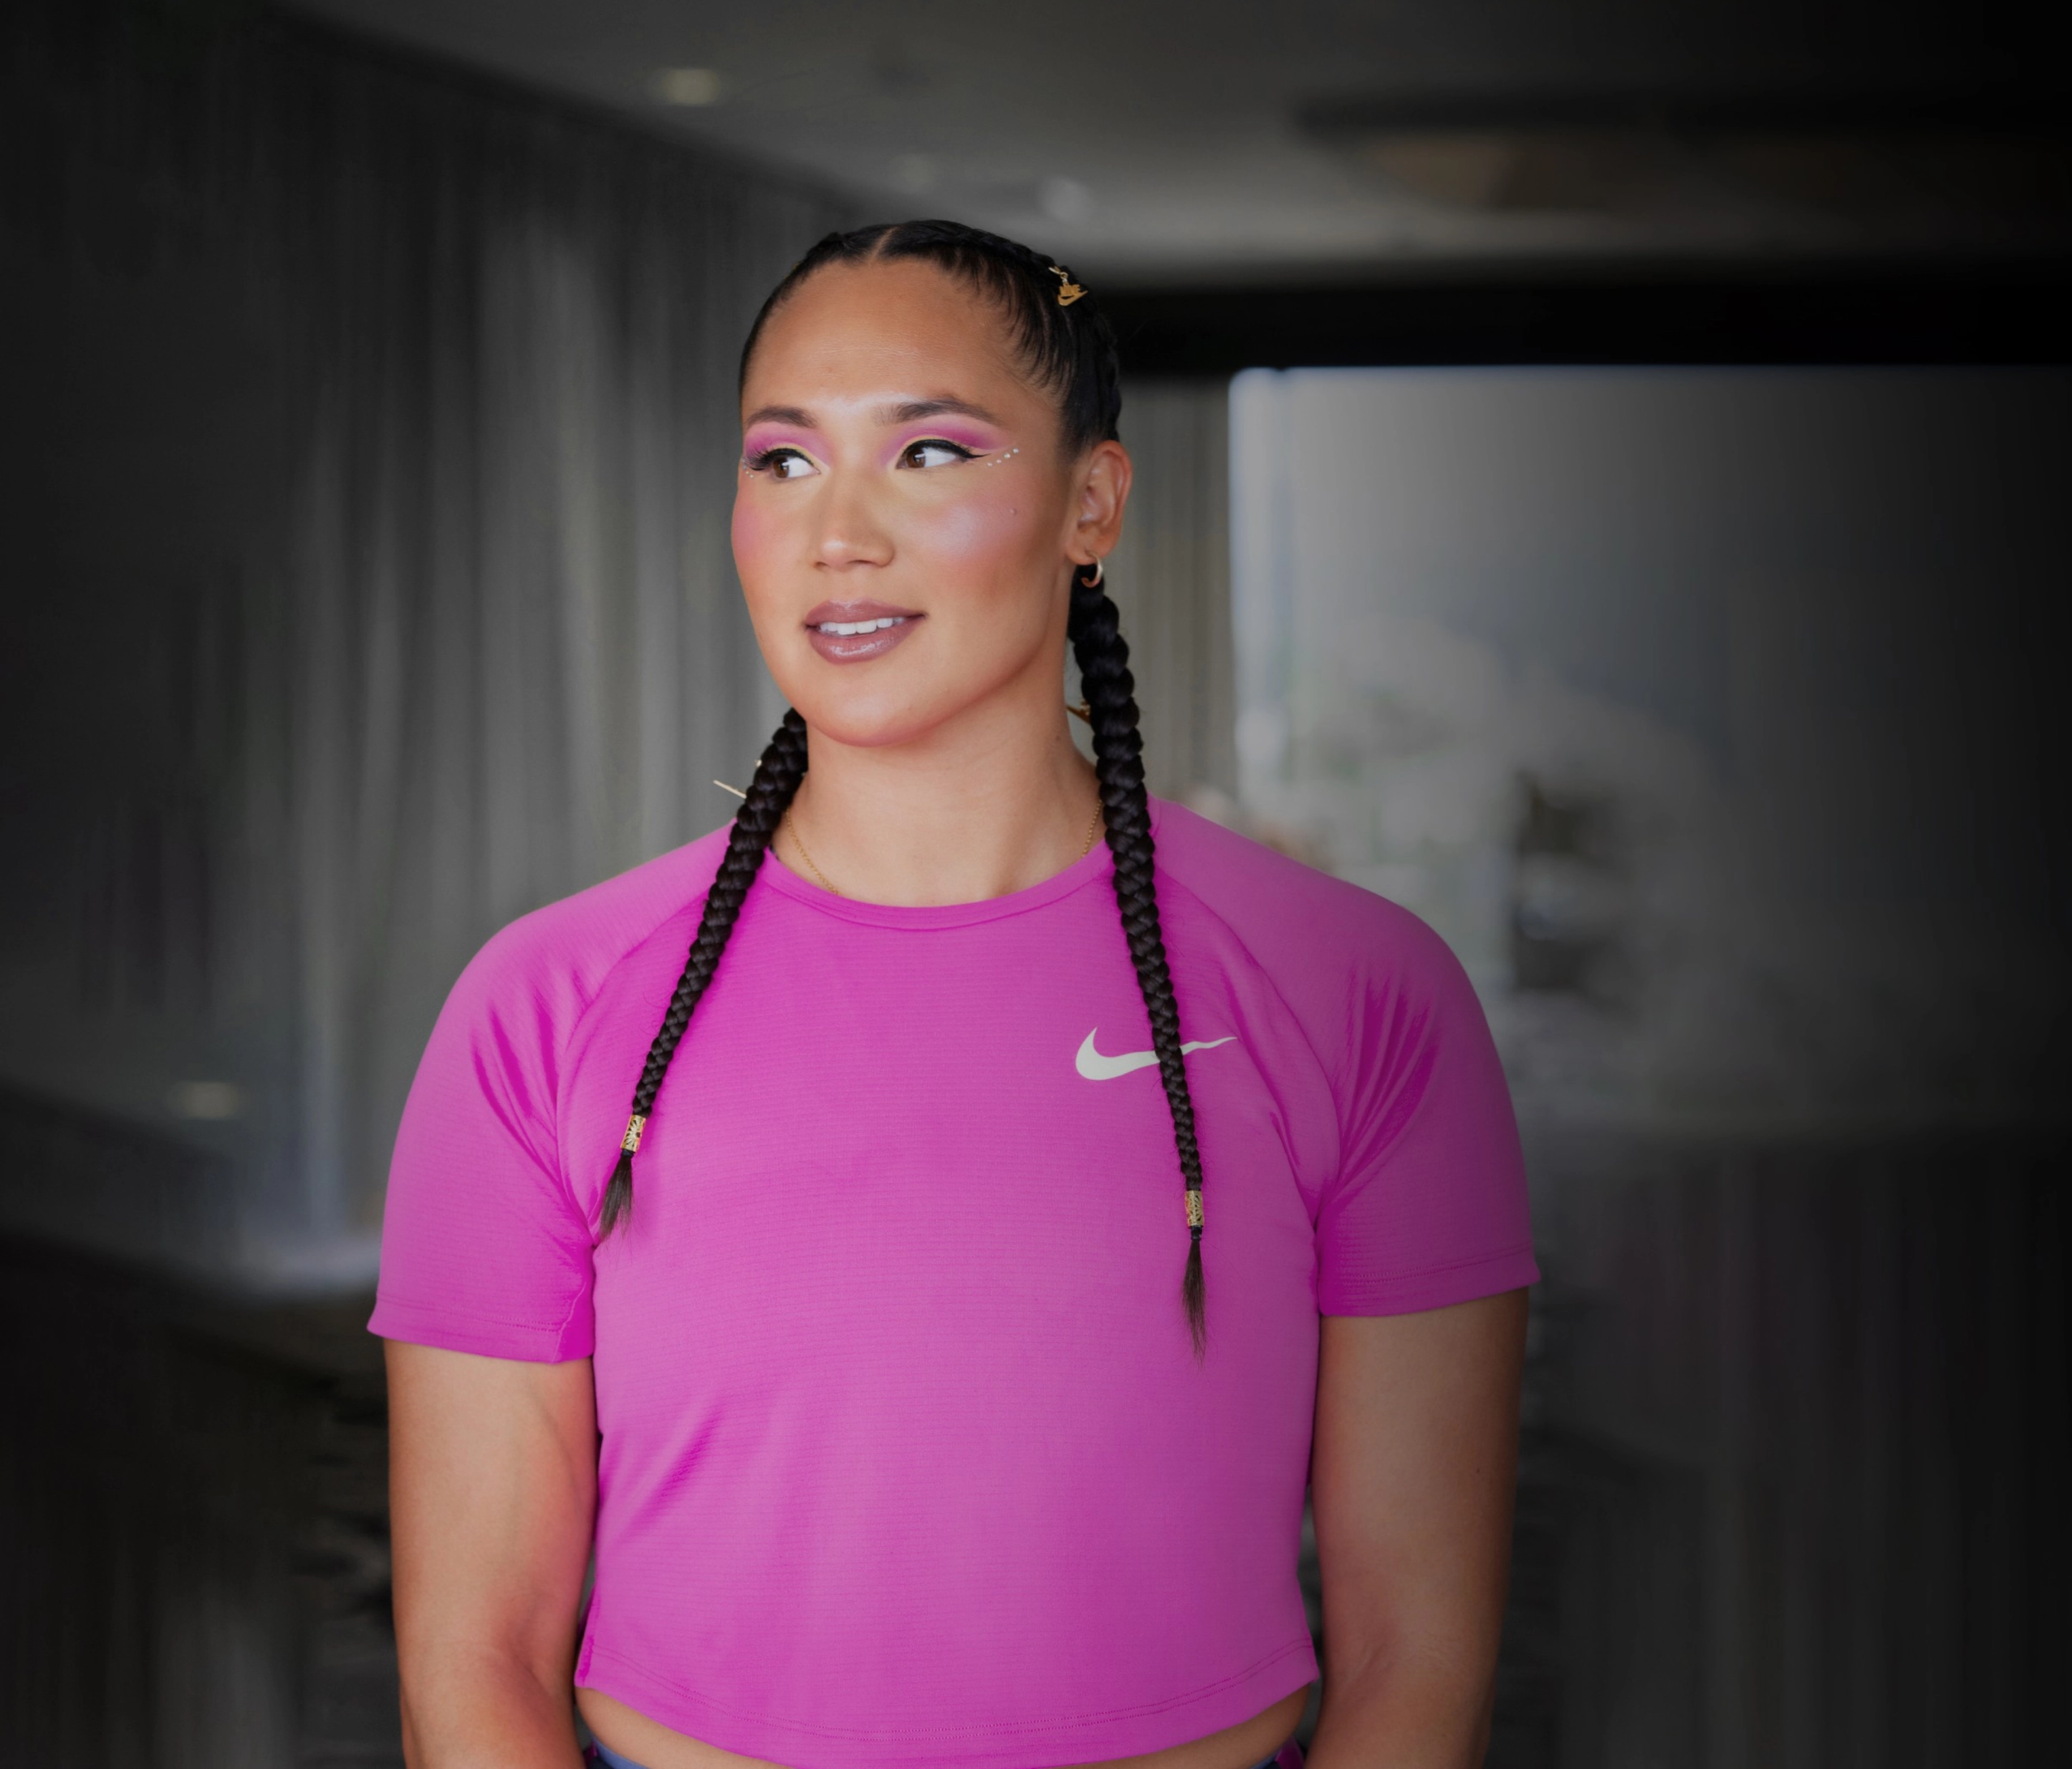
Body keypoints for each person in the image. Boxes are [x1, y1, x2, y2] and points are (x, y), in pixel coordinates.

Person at [373, 221, 1536, 1769]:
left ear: (1092, 502)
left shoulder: (1364, 993)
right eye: (782, 462)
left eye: (925, 451)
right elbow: (476, 1656)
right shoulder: (542, 1005)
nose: (836, 532)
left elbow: (1416, 1653)